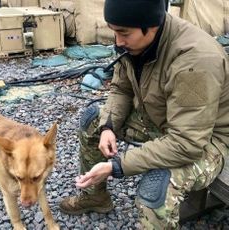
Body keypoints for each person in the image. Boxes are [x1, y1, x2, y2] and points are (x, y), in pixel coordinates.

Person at [59, 0, 229, 228]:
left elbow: (187, 143)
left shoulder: (195, 59)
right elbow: (122, 88)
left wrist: (116, 166)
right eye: (114, 32)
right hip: (162, 119)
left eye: (123, 33)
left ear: (151, 26)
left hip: (206, 140)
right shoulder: (135, 41)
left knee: (154, 193)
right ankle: (95, 197)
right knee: (94, 120)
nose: (118, 42)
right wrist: (108, 126)